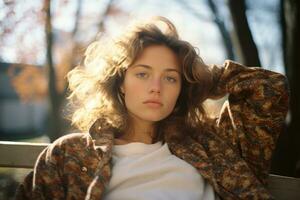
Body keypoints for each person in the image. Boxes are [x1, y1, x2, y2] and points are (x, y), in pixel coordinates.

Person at [16, 16, 289, 200]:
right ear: (120, 81)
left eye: (170, 78)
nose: (156, 87)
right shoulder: (70, 154)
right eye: (143, 74)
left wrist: (200, 79)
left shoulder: (213, 145)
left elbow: (270, 87)